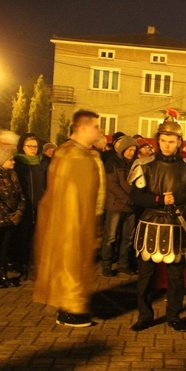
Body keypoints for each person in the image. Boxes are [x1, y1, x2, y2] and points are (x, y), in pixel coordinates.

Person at [128, 111, 186, 333]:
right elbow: (134, 196)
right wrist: (157, 199)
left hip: (177, 226)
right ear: (157, 140)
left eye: (171, 141)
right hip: (150, 223)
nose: (166, 145)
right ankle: (144, 315)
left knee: (176, 277)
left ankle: (173, 315)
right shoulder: (144, 164)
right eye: (163, 141)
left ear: (179, 142)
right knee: (145, 276)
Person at [33, 109, 105, 327]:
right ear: (83, 128)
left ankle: (70, 309)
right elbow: (70, 195)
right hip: (71, 222)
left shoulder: (81, 152)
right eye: (95, 126)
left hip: (81, 220)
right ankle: (71, 311)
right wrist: (79, 223)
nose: (99, 131)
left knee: (76, 265)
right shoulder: (72, 155)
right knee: (70, 264)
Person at [101, 136, 138, 276]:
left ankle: (124, 264)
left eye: (134, 150)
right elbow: (112, 184)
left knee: (128, 237)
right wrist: (127, 199)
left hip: (131, 206)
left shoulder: (135, 164)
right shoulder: (112, 163)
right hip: (115, 206)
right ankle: (106, 265)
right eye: (129, 150)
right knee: (111, 237)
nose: (131, 153)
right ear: (123, 149)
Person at [13, 133, 46, 280]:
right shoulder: (17, 162)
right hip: (23, 205)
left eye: (35, 146)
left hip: (40, 205)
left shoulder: (43, 162)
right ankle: (21, 266)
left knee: (38, 238)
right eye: (30, 146)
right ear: (22, 146)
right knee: (22, 237)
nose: (33, 149)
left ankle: (35, 266)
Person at [0, 148, 26, 287]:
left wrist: (19, 212)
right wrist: (9, 213)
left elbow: (21, 195)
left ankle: (3, 276)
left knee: (5, 248)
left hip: (11, 219)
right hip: (3, 218)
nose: (13, 162)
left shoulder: (13, 175)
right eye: (10, 159)